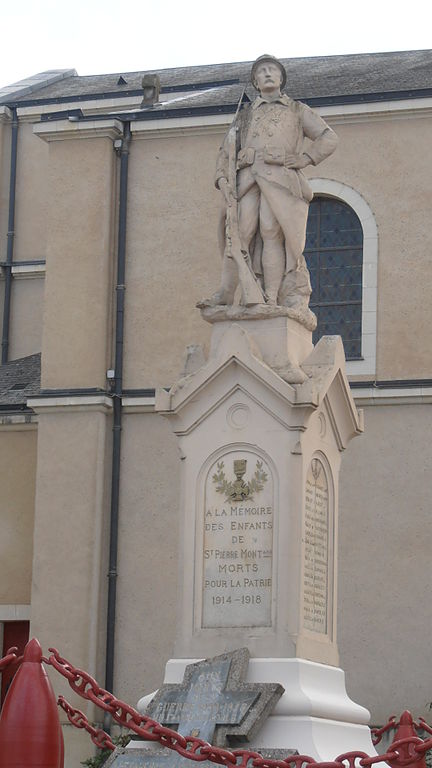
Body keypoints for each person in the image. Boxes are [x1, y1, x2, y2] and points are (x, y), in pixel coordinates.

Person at [202, 54, 338, 312]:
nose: (267, 74)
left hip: (280, 180)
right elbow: (225, 151)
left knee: (270, 232)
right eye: (262, 71)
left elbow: (328, 138)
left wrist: (305, 158)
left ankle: (271, 297)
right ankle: (226, 293)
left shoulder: (297, 110)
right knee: (238, 234)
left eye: (272, 70)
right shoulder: (244, 115)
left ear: (281, 78)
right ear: (255, 80)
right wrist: (222, 178)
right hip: (246, 179)